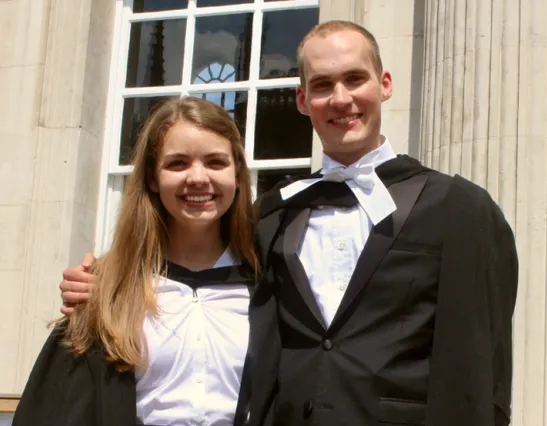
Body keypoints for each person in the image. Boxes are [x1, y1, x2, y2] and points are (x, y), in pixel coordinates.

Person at [59, 20, 519, 426]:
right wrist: (107, 277)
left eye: (355, 79)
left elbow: (478, 375)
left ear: (384, 84)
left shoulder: (462, 210)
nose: (341, 98)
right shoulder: (272, 215)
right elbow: (192, 257)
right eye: (322, 85)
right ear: (302, 99)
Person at [13, 96, 259, 426]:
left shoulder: (269, 286)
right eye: (178, 164)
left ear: (238, 175)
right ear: (153, 178)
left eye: (216, 162)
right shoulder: (108, 290)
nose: (198, 177)